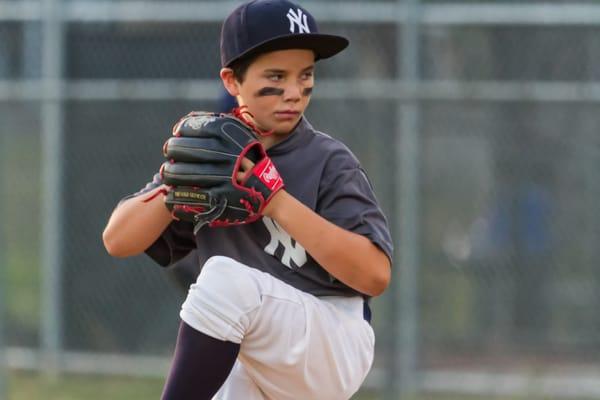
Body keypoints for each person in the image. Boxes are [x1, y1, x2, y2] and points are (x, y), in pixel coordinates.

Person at [102, 1, 392, 399]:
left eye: (305, 75)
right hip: (253, 349)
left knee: (224, 279)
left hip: (332, 339)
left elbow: (375, 274)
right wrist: (175, 187)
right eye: (276, 75)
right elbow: (117, 240)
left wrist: (275, 200)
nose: (294, 92)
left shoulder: (328, 160)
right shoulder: (212, 154)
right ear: (232, 81)